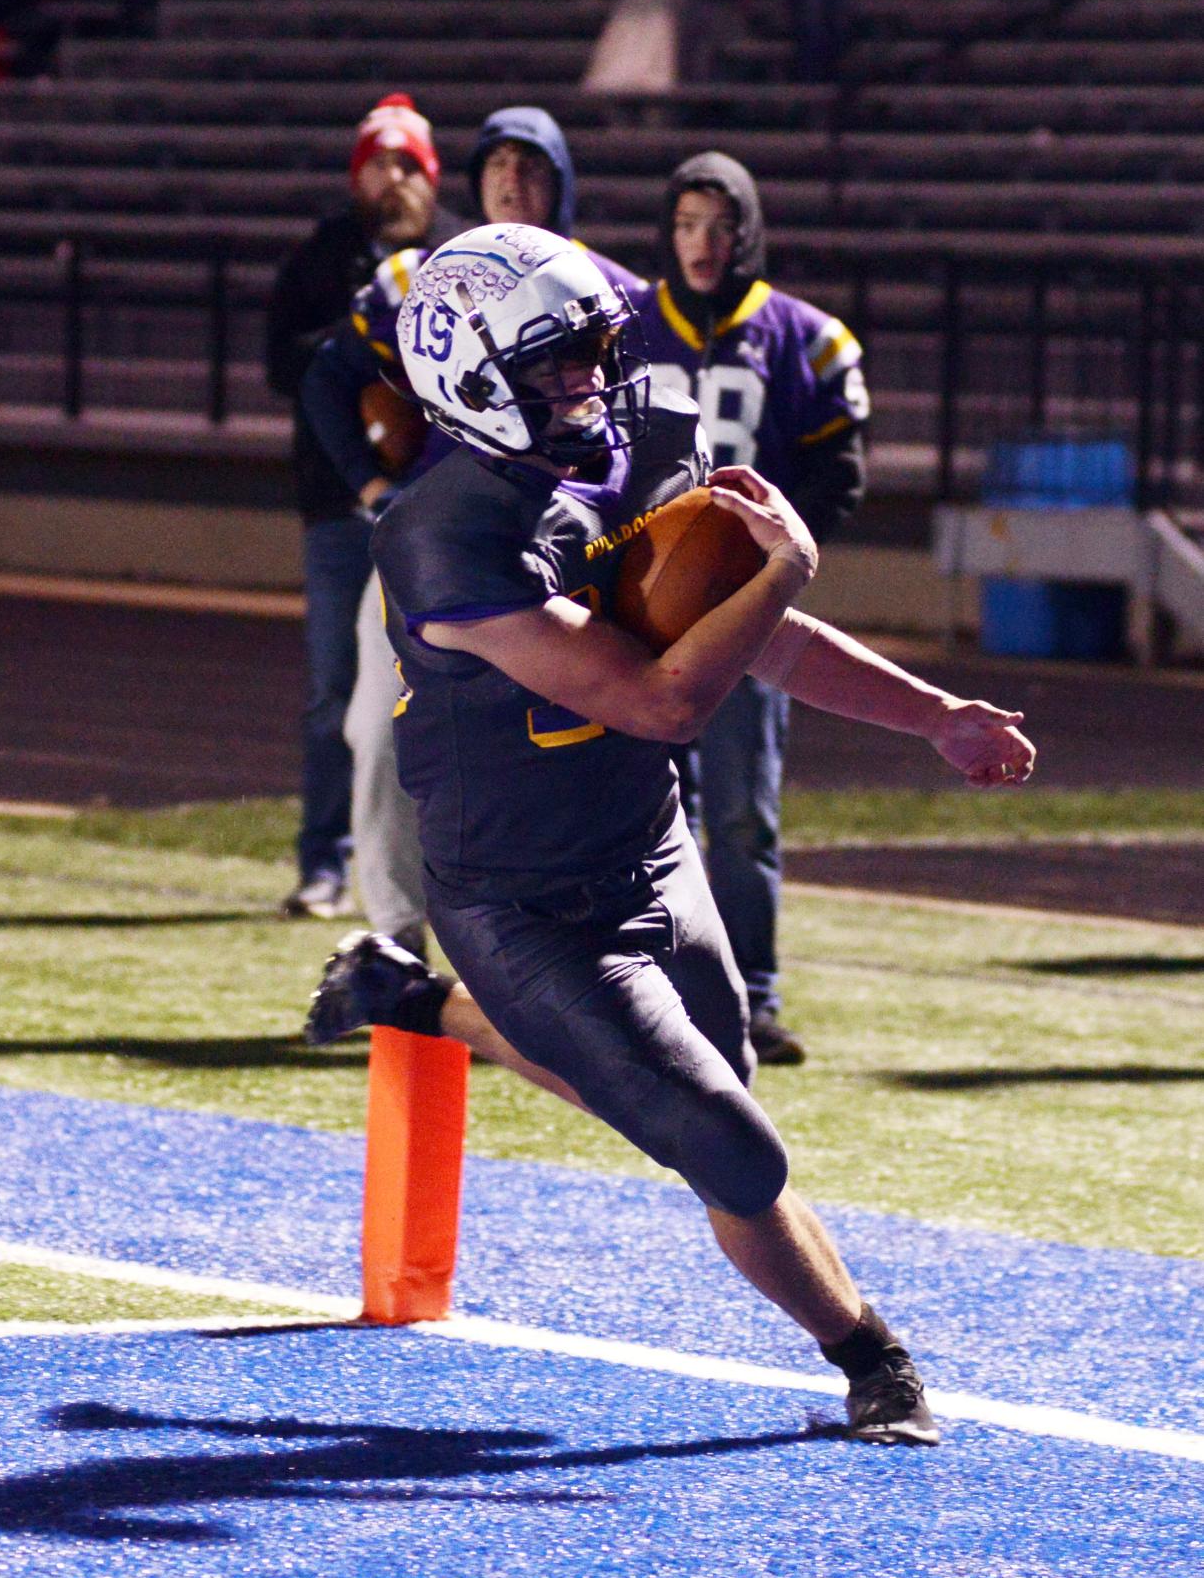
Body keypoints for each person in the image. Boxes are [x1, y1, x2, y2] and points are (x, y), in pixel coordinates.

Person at [303, 222, 1035, 1444]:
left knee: (698, 1096)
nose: (589, 380)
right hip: (521, 898)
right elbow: (664, 696)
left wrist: (934, 715)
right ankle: (872, 1355)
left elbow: (757, 642)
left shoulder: (645, 442)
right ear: (470, 373)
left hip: (651, 844)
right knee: (727, 1146)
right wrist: (782, 570)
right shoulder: (444, 530)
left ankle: (413, 1003)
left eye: (594, 348)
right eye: (552, 362)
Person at [300, 106, 644, 950]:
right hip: (439, 553)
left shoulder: (609, 287)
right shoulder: (426, 276)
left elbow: (653, 427)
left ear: (561, 184)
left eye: (531, 169)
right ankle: (395, 943)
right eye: (498, 168)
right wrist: (375, 483)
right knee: (379, 734)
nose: (512, 184)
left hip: (575, 550)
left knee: (610, 732)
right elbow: (326, 379)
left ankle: (597, 931)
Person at [630, 150, 869, 1066]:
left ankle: (750, 997)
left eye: (718, 226)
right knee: (644, 803)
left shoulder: (800, 336)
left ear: (746, 232)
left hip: (746, 613)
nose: (700, 243)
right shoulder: (627, 321)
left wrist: (763, 558)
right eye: (686, 223)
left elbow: (839, 470)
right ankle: (652, 988)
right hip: (642, 609)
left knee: (740, 811)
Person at [265, 93, 465, 919]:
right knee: (334, 691)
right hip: (345, 503)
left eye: (406, 163)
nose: (392, 177)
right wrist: (371, 345)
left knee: (452, 693)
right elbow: (290, 366)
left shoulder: (460, 255)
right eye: (377, 162)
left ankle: (448, 867)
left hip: (449, 512)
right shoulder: (323, 259)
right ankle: (326, 861)